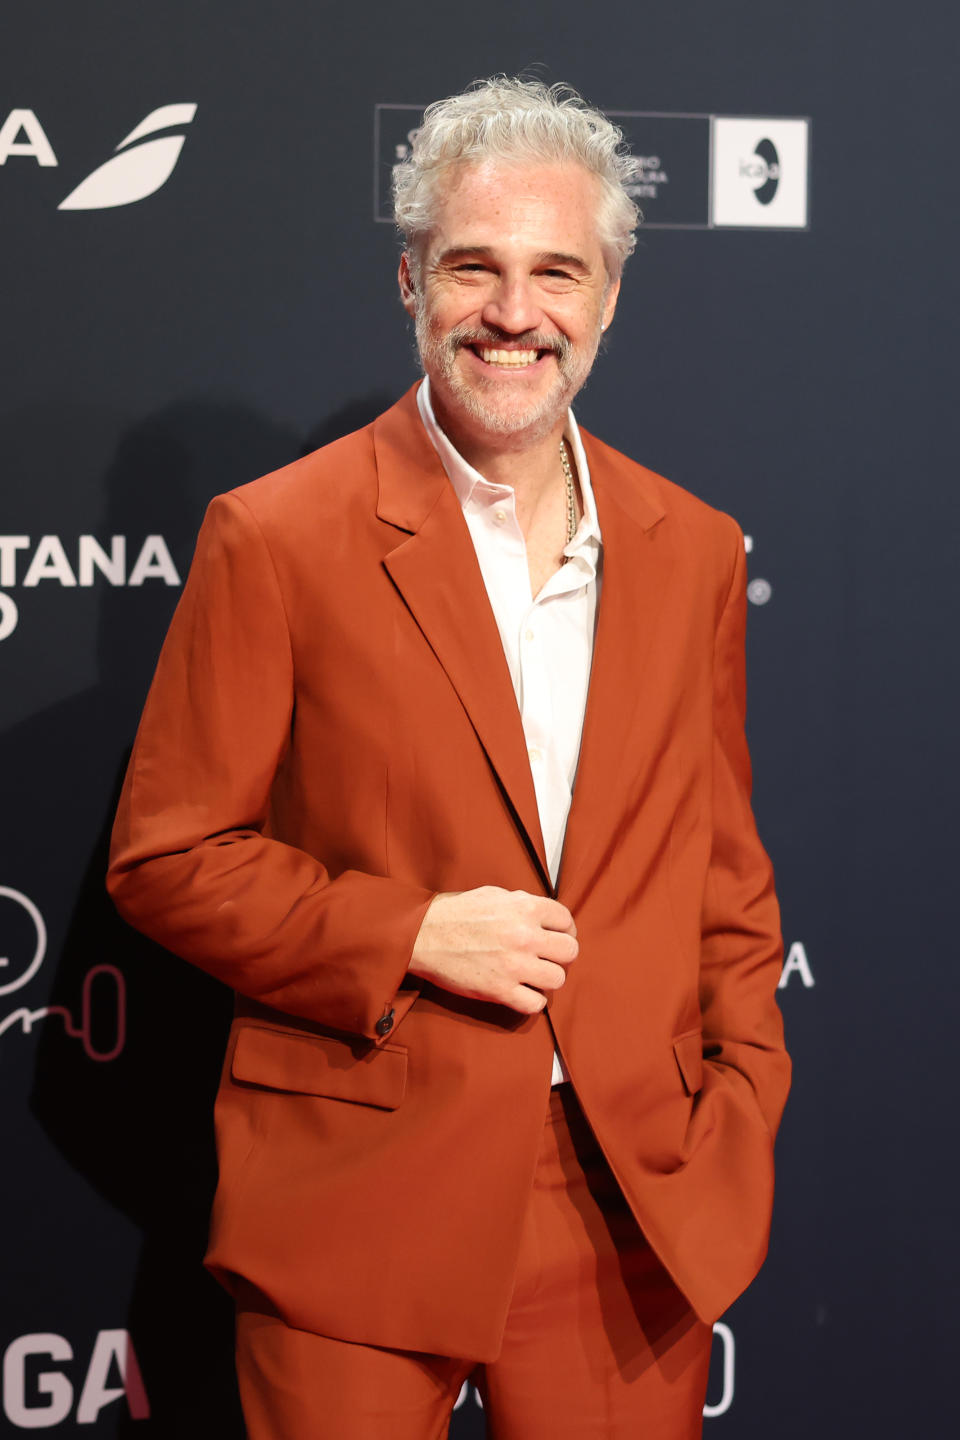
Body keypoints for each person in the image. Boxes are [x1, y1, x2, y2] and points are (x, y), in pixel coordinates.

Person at [107, 76, 790, 1440]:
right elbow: (168, 857)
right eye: (475, 267)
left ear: (606, 299)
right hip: (356, 1193)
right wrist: (410, 930)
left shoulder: (693, 546)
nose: (515, 314)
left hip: (623, 1208)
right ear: (414, 278)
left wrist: (737, 1110)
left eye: (559, 273)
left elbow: (723, 872)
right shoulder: (278, 536)